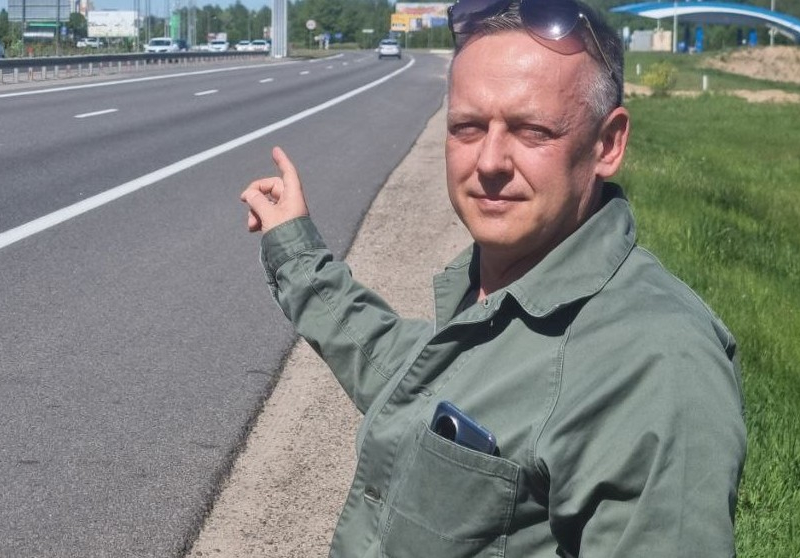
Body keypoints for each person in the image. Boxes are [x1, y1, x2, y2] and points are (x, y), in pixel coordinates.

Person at [240, 0, 746, 555]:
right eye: (467, 127)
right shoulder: (501, 287)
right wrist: (296, 252)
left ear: (608, 144)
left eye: (532, 130)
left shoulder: (655, 363)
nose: (489, 162)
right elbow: (408, 375)